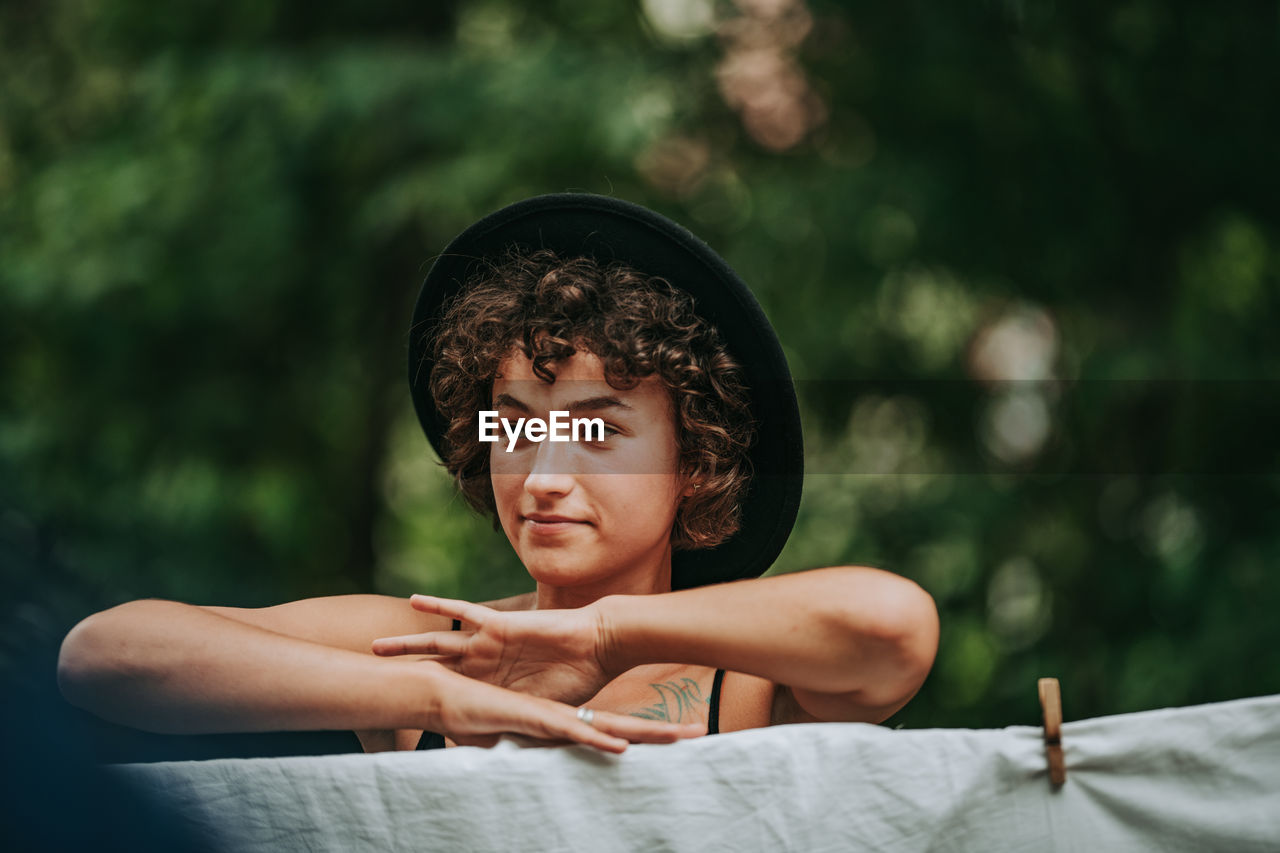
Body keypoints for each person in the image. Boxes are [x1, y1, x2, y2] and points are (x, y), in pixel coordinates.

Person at [57, 194, 938, 757]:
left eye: (596, 429)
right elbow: (104, 654)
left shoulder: (744, 683)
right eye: (513, 425)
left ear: (695, 463)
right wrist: (436, 696)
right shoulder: (427, 646)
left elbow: (893, 627)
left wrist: (600, 639)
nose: (544, 474)